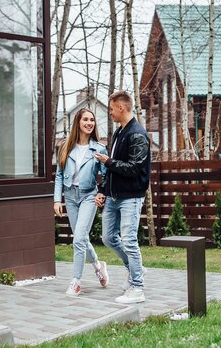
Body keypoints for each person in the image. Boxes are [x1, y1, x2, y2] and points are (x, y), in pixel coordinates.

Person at [94, 90, 151, 304]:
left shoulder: (137, 134)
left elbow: (134, 169)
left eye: (111, 108)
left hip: (130, 197)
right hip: (113, 196)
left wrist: (108, 161)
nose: (109, 113)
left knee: (129, 240)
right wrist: (102, 191)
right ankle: (136, 269)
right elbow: (113, 170)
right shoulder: (119, 133)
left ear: (121, 107)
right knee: (108, 238)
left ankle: (137, 288)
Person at [54, 108, 110, 297]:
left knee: (78, 239)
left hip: (88, 196)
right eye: (86, 119)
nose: (89, 123)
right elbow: (59, 176)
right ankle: (97, 265)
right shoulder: (66, 147)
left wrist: (102, 193)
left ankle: (76, 282)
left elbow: (107, 175)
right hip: (70, 196)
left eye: (92, 120)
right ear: (78, 122)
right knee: (82, 239)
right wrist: (57, 200)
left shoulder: (98, 148)